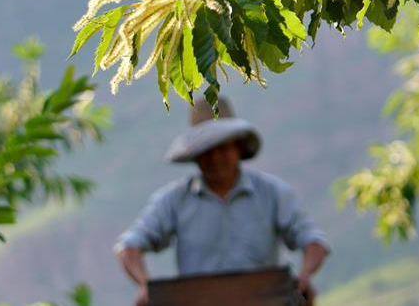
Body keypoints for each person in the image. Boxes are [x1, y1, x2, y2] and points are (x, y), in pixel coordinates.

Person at [114, 97, 331, 306]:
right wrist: (144, 285)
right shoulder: (174, 199)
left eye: (223, 148)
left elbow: (314, 241)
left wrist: (304, 275)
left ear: (239, 148)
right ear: (195, 156)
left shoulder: (273, 193)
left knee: (303, 298)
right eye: (206, 150)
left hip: (261, 300)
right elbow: (129, 247)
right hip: (197, 303)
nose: (215, 158)